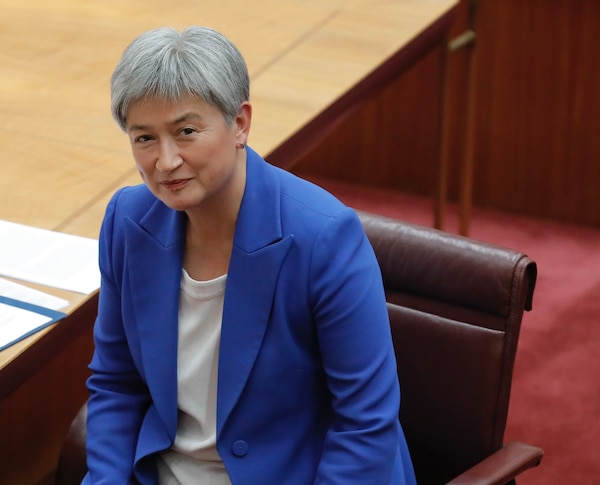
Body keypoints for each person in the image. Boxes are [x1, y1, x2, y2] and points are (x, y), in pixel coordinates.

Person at [83, 26, 415, 484]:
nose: (165, 161)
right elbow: (115, 384)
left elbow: (366, 423)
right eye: (144, 139)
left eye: (186, 131)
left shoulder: (324, 237)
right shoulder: (128, 221)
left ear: (239, 123)